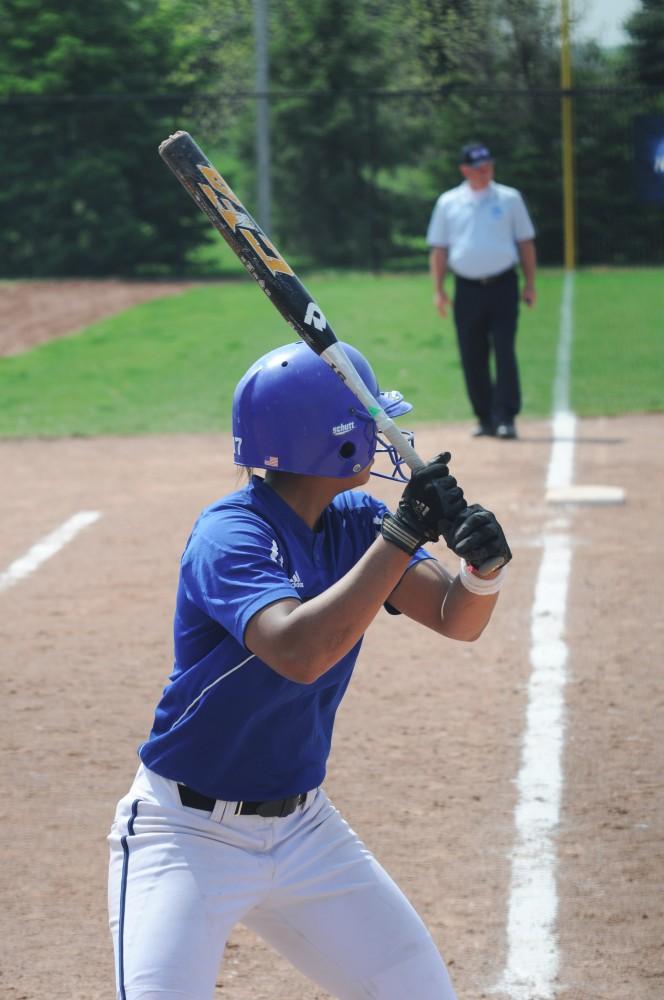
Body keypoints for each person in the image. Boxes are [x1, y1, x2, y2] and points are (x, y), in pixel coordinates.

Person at [108, 339, 512, 1000]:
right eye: (369, 422)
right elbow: (300, 652)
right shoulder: (229, 535)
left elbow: (452, 615)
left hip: (304, 832)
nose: (384, 433)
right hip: (185, 835)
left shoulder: (355, 520)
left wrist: (482, 571)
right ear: (334, 445)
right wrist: (404, 531)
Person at [427, 141, 537, 439]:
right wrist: (438, 290)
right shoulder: (449, 202)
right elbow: (439, 249)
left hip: (503, 284)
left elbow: (525, 242)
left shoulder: (509, 198)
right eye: (478, 167)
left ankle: (506, 417)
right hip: (467, 288)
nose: (485, 171)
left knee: (503, 350)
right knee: (471, 353)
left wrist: (530, 284)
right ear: (465, 170)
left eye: (488, 165)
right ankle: (484, 416)